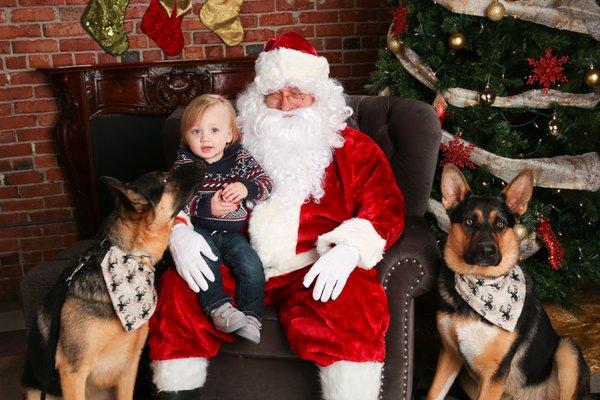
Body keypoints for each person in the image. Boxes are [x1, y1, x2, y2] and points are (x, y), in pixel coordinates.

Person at [148, 32, 405, 400]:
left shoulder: (354, 149)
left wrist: (349, 249)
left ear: (320, 95)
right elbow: (174, 191)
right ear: (258, 97)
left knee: (356, 303)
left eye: (297, 92)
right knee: (179, 290)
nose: (285, 104)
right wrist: (179, 231)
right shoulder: (228, 143)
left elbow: (388, 208)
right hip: (235, 258)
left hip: (312, 266)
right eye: (274, 93)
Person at [169, 94, 272, 344]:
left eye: (214, 130)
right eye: (196, 131)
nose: (205, 138)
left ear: (229, 135)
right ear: (186, 137)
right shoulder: (185, 164)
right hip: (200, 230)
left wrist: (247, 188)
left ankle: (251, 316)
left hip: (233, 233)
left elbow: (266, 184)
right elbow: (173, 200)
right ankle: (218, 307)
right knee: (206, 263)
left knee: (251, 266)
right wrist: (206, 206)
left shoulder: (240, 159)